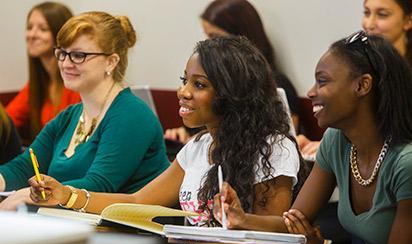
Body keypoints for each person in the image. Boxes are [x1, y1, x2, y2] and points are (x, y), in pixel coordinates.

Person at [29, 37, 307, 227]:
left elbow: (280, 229)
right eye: (185, 81)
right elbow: (138, 200)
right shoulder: (198, 147)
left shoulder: (273, 147)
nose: (183, 92)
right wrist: (66, 195)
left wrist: (242, 220)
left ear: (232, 93)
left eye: (199, 85)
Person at [213, 32, 412, 244]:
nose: (310, 92)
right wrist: (241, 219)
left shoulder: (405, 162)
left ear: (362, 85)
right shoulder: (337, 140)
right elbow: (295, 221)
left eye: (322, 81)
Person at [0, 11, 169, 210]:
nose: (65, 63)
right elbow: (22, 167)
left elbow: (99, 186)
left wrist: (25, 195)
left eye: (79, 55)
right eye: (62, 53)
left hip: (126, 234)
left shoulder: (132, 115)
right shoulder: (69, 117)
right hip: (74, 227)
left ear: (111, 62)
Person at [164, 0, 300, 143]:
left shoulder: (276, 84)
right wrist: (183, 133)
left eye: (215, 36)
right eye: (185, 81)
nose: (209, 44)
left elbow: (283, 141)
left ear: (242, 38)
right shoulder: (198, 146)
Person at [298, 0, 412, 159]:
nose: (369, 24)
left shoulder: (403, 159)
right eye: (366, 13)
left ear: (408, 20)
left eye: (382, 14)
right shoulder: (356, 64)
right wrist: (326, 147)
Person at [6, 2, 81, 144]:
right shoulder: (37, 84)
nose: (32, 35)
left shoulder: (76, 83)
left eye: (43, 29)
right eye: (29, 27)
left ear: (61, 35)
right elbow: (7, 120)